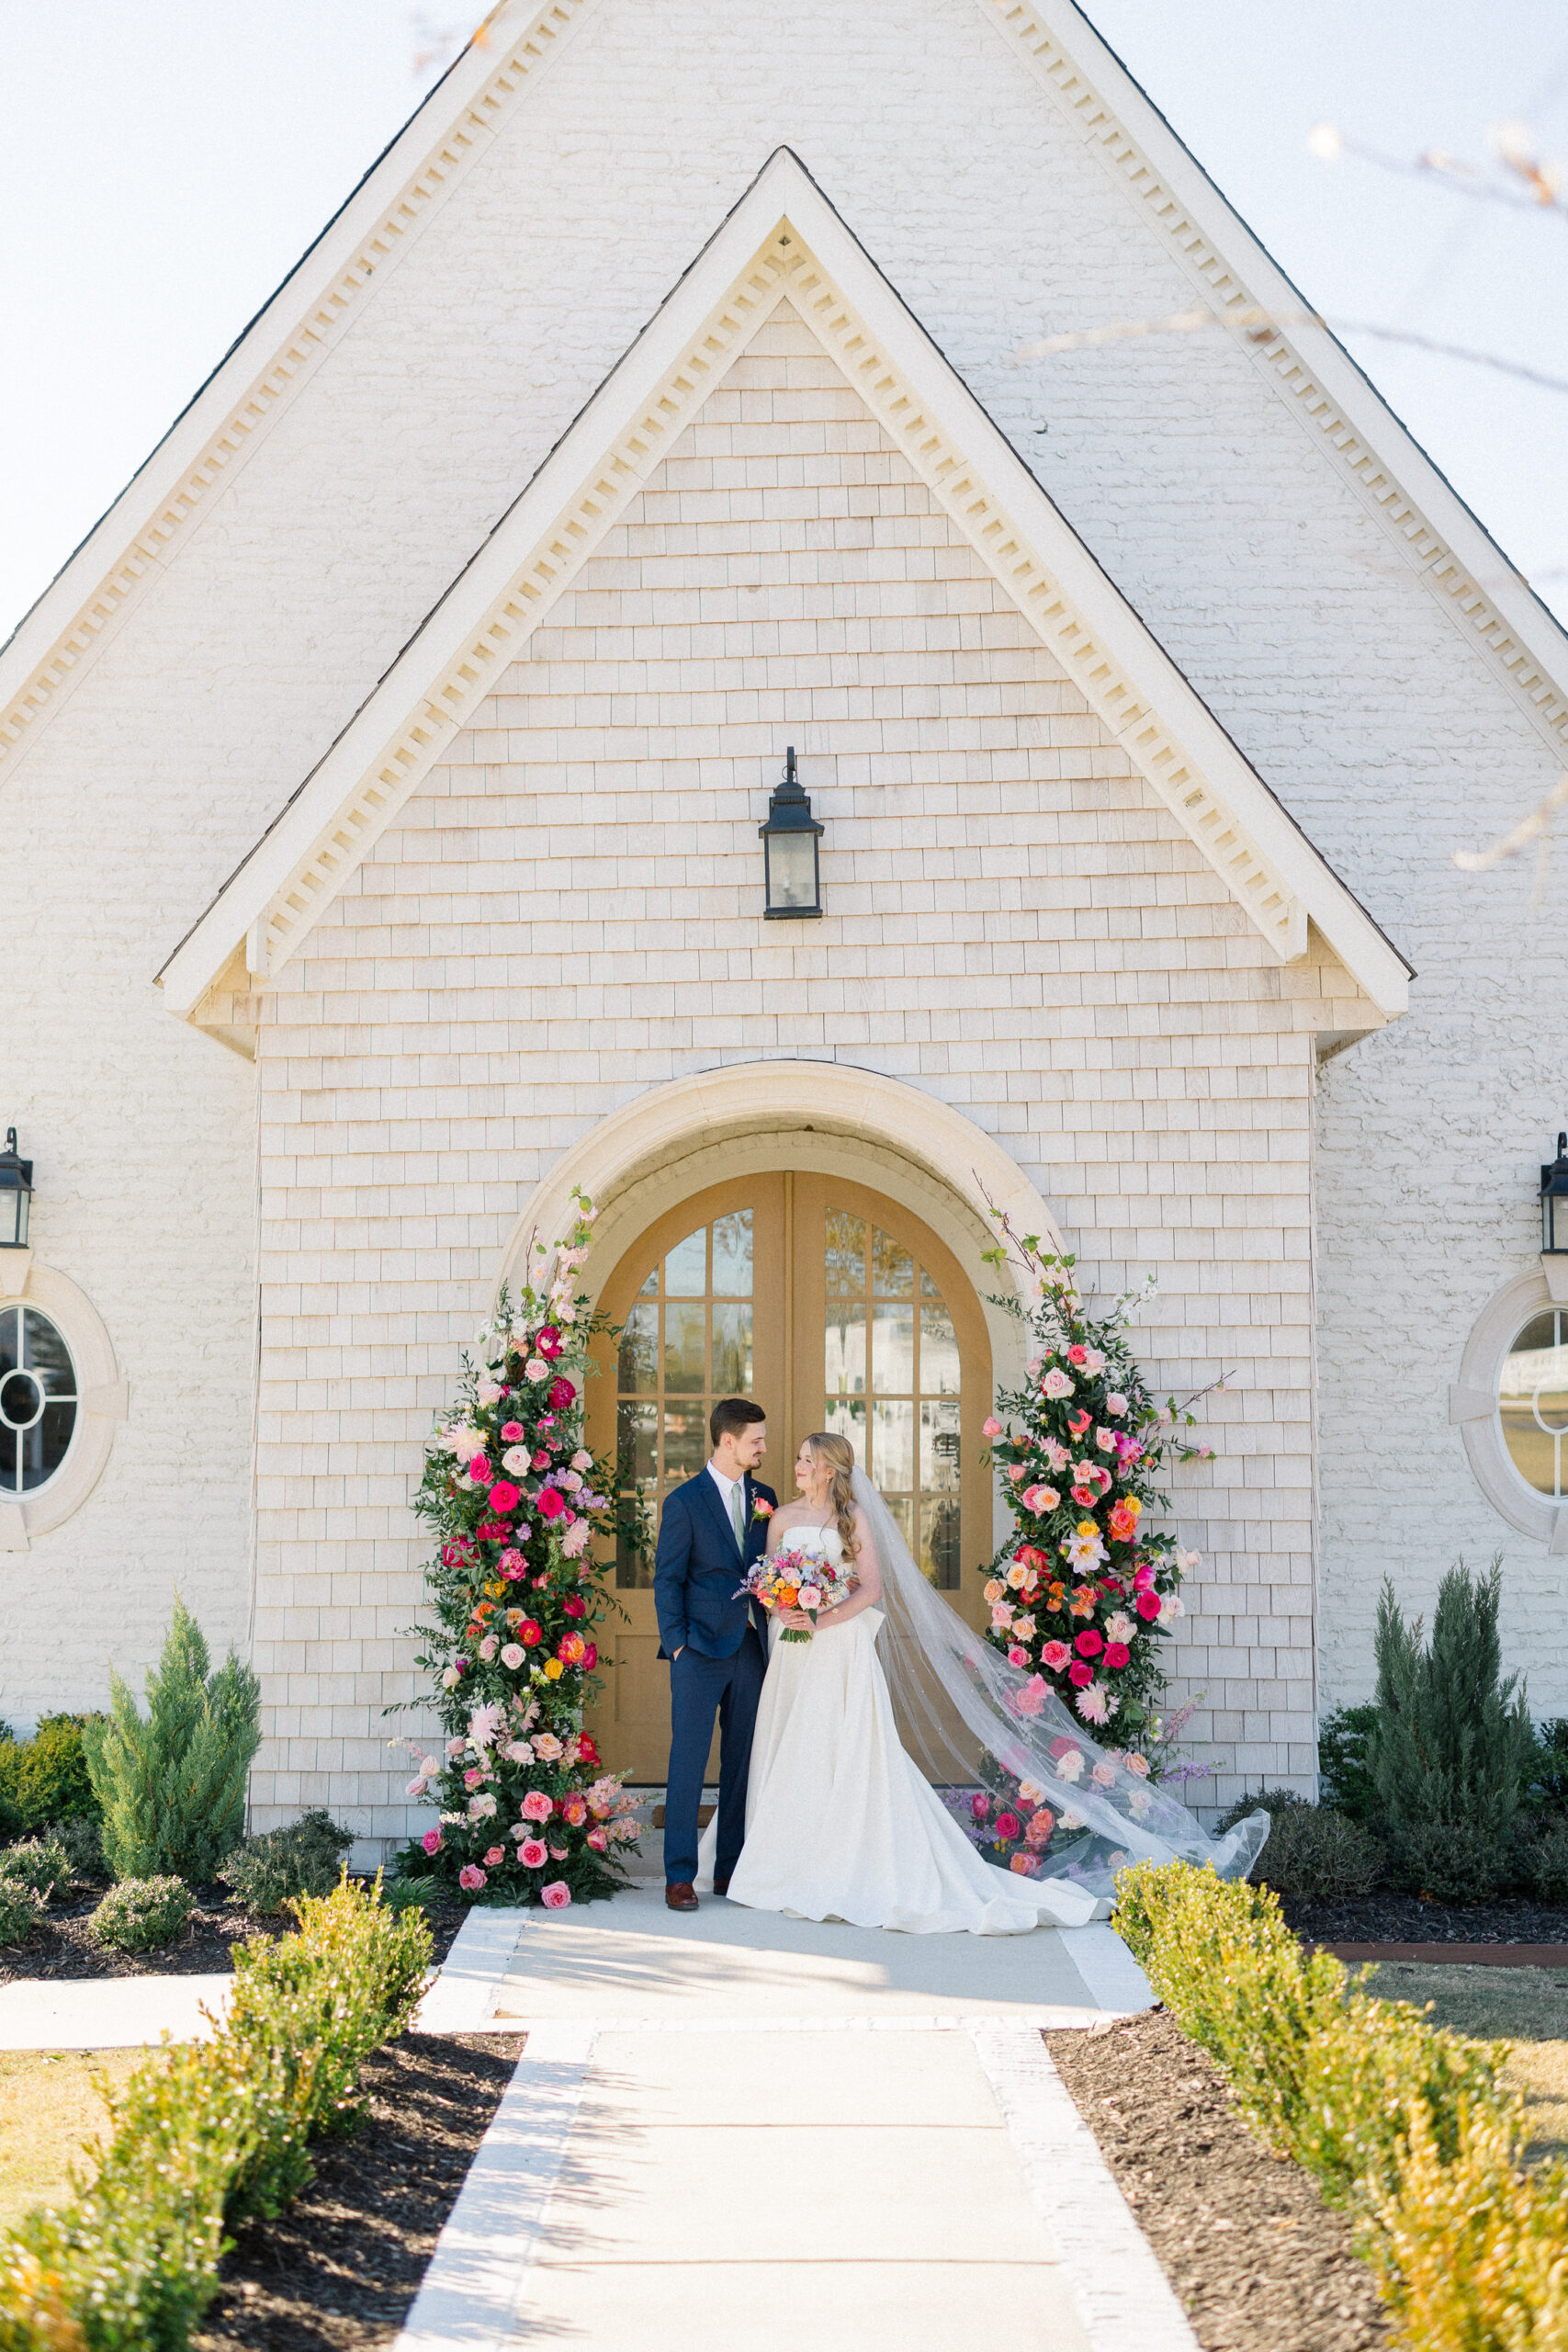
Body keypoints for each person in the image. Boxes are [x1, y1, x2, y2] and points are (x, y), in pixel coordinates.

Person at [697, 1433, 1268, 1935]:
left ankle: (842, 1862)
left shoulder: (854, 1521)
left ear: (828, 1468)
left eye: (805, 1460)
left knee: (844, 1753)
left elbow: (870, 1590)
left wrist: (819, 1616)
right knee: (792, 1748)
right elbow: (769, 1583)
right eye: (796, 1459)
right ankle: (783, 1859)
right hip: (794, 1655)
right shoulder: (782, 1518)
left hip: (839, 1650)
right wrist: (784, 1609)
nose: (796, 1467)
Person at [652, 1395, 777, 1912]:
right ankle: (680, 1875)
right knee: (688, 1761)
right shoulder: (684, 1502)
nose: (764, 1448)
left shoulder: (766, 1497)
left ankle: (730, 1871)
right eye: (756, 1441)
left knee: (741, 1762)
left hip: (750, 1645)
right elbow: (667, 1579)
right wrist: (678, 1644)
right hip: (699, 1649)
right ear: (728, 1441)